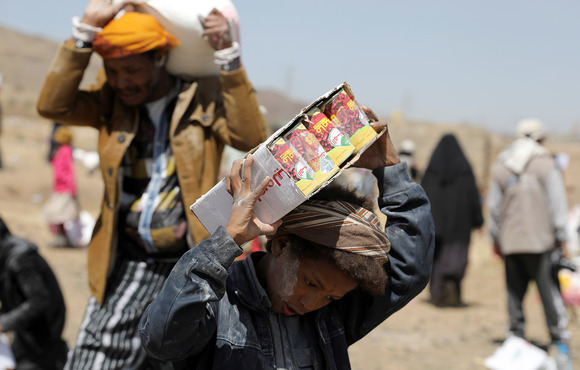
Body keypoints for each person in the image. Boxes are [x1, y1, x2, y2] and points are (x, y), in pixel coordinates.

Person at [36, 0, 267, 368]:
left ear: (159, 59)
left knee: (182, 356)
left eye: (131, 69)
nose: (122, 81)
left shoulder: (200, 96)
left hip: (190, 258)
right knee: (94, 357)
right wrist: (85, 33)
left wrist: (227, 56)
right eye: (112, 70)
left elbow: (250, 134)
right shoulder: (111, 101)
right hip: (130, 259)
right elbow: (53, 107)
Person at [139, 118, 435, 369]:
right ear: (281, 246)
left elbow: (408, 268)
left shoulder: (334, 316)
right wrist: (226, 242)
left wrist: (390, 169)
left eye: (330, 298)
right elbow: (161, 340)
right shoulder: (219, 303)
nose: (312, 304)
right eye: (311, 283)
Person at [488, 118, 572, 365]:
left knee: (515, 293)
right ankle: (559, 341)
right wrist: (562, 237)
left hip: (511, 242)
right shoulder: (546, 163)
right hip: (540, 242)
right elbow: (557, 203)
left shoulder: (503, 164)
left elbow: (494, 208)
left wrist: (495, 238)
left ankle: (516, 337)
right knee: (549, 293)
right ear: (540, 139)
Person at [421, 134, 483, 306]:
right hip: (460, 228)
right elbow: (474, 200)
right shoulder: (465, 174)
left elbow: (422, 199)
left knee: (437, 260)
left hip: (436, 228)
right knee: (456, 259)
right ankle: (452, 294)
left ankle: (438, 294)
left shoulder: (431, 174)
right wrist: (478, 221)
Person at [0, 217, 68, 369]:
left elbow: (39, 300)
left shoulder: (21, 259)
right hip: (26, 333)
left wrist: (3, 323)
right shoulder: (4, 257)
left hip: (44, 333)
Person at [42, 125, 82, 248]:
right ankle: (62, 238)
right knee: (58, 214)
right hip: (60, 188)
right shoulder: (61, 150)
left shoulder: (65, 151)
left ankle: (62, 238)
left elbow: (67, 171)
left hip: (64, 188)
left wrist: (71, 188)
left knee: (59, 214)